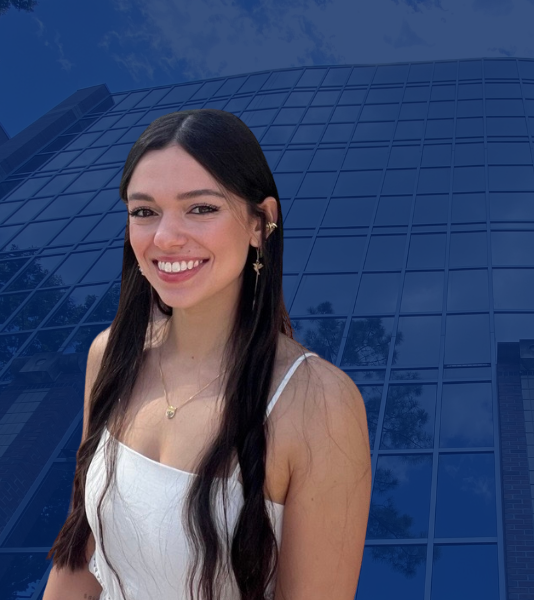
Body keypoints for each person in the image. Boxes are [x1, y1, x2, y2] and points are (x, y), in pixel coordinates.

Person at [42, 109, 371, 600]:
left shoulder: (318, 403)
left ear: (261, 223)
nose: (165, 237)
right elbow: (80, 556)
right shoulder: (109, 355)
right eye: (144, 211)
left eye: (200, 208)